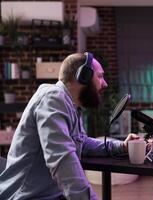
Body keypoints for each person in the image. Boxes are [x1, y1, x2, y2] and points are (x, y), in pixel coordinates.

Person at [0, 52, 140, 200]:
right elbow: (62, 159)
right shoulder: (53, 98)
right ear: (82, 76)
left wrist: (121, 146)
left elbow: (82, 143)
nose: (104, 83)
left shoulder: (71, 105)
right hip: (26, 197)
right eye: (99, 76)